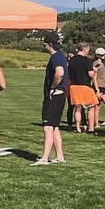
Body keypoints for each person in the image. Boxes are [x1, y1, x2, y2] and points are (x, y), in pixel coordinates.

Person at [35, 30, 69, 165]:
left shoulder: (55, 58)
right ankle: (60, 156)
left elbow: (59, 73)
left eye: (44, 45)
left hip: (55, 96)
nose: (44, 47)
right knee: (54, 127)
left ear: (50, 45)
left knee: (48, 127)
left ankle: (44, 158)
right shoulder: (62, 56)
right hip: (61, 96)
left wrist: (52, 87)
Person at [67, 43, 99, 134]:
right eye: (88, 51)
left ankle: (78, 128)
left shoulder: (71, 60)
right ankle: (91, 128)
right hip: (85, 86)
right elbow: (90, 74)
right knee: (91, 107)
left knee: (78, 108)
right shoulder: (87, 60)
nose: (88, 53)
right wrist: (95, 71)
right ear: (84, 50)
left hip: (74, 86)